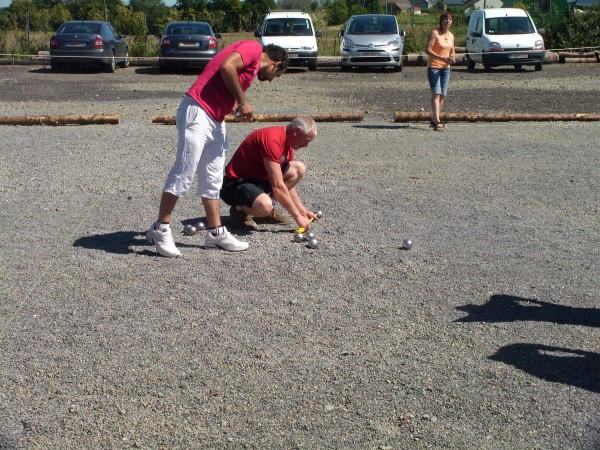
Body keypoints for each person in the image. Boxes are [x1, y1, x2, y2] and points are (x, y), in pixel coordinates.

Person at [146, 41, 289, 257]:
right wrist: (242, 102)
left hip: (215, 119)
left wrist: (231, 107)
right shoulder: (253, 48)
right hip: (197, 110)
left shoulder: (250, 66)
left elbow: (225, 82)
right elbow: (226, 67)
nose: (269, 80)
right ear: (276, 65)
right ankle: (160, 228)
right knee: (184, 171)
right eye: (274, 76)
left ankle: (215, 232)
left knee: (213, 177)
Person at [220, 117, 317, 233]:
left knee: (297, 168)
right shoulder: (272, 139)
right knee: (265, 206)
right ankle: (239, 209)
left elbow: (285, 185)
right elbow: (277, 186)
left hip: (259, 181)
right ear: (296, 131)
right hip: (236, 184)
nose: (306, 145)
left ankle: (266, 212)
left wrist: (302, 211)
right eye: (306, 140)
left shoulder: (287, 145)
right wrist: (298, 217)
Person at [425, 11, 455, 132]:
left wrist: (452, 57)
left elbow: (452, 50)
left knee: (442, 95)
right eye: (445, 19)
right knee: (436, 94)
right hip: (434, 67)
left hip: (446, 68)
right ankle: (437, 121)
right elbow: (427, 50)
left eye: (450, 19)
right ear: (441, 20)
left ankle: (434, 119)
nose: (448, 21)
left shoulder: (451, 35)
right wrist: (441, 58)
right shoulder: (435, 33)